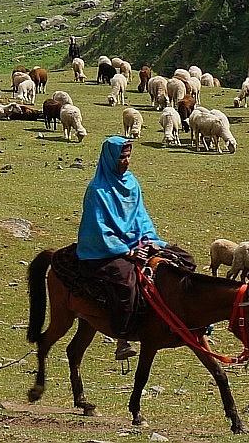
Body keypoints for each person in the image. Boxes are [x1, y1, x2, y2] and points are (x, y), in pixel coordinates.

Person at [76, 135, 168, 360]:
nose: (126, 161)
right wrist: (127, 251)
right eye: (121, 158)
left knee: (179, 260)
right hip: (107, 249)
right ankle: (123, 337)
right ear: (109, 159)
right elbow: (98, 229)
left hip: (138, 241)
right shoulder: (97, 190)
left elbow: (141, 216)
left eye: (128, 157)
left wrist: (148, 241)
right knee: (126, 281)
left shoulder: (132, 182)